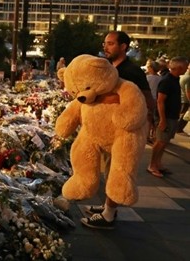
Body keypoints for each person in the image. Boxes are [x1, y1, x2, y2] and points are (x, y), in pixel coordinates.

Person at [81, 30, 155, 230]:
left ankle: (109, 215)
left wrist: (101, 99)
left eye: (111, 43)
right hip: (108, 131)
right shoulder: (109, 69)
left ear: (124, 47)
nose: (106, 47)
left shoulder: (131, 71)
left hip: (124, 133)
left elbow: (145, 100)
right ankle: (107, 205)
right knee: (109, 169)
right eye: (105, 43)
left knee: (118, 171)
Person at [148, 57, 189, 176]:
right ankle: (152, 165)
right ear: (179, 68)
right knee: (160, 141)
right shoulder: (167, 80)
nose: (187, 69)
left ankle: (158, 163)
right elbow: (160, 101)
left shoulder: (175, 79)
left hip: (172, 116)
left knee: (164, 141)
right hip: (166, 116)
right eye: (186, 67)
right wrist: (162, 119)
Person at [146, 60, 161, 142]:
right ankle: (154, 134)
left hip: (148, 99)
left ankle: (147, 135)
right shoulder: (161, 78)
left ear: (151, 68)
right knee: (154, 119)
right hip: (157, 99)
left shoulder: (147, 78)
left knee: (148, 118)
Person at [176, 63, 190, 134]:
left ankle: (177, 128)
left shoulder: (182, 76)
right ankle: (179, 129)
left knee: (181, 114)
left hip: (181, 98)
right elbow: (188, 91)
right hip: (185, 99)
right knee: (184, 115)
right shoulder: (188, 78)